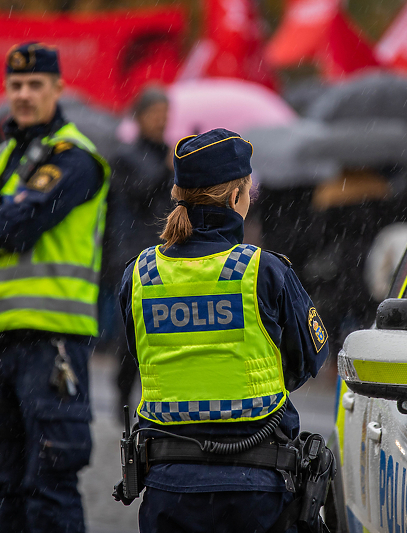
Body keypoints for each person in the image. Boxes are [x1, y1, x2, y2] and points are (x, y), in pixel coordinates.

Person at [118, 128, 329, 533]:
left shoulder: (139, 274)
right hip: (257, 491)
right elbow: (305, 363)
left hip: (168, 490)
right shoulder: (263, 271)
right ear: (237, 199)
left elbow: (140, 353)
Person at [0, 42, 109, 533]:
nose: (24, 94)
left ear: (58, 89)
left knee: (50, 491)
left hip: (52, 345)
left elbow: (15, 226)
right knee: (9, 493)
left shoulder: (76, 157)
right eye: (15, 85)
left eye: (35, 84)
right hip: (0, 346)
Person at [103, 86, 171, 420]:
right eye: (154, 114)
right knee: (132, 331)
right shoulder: (124, 157)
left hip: (166, 252)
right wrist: (168, 170)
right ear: (139, 117)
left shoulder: (171, 155)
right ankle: (122, 391)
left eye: (165, 114)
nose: (161, 121)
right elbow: (141, 195)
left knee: (162, 330)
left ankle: (156, 398)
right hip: (132, 253)